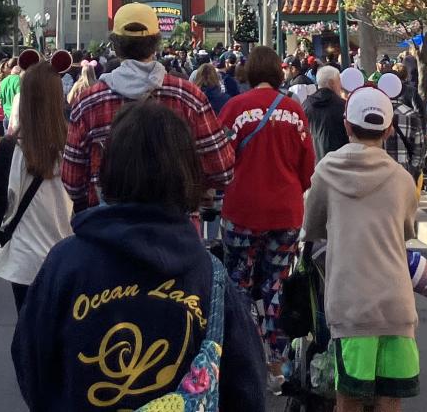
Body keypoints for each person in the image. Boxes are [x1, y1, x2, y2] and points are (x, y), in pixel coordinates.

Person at [17, 102, 265, 411]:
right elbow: (247, 386)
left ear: (110, 167)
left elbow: (31, 361)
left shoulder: (66, 264)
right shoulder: (210, 278)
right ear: (186, 172)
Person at [304, 77, 422, 410]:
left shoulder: (326, 171)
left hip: (350, 304)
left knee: (349, 399)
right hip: (396, 303)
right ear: (388, 130)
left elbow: (312, 226)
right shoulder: (401, 178)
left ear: (346, 125)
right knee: (390, 399)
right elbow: (406, 230)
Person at [61, 4, 235, 212]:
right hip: (174, 229)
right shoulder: (188, 97)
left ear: (115, 45)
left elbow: (71, 183)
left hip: (108, 230)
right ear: (155, 43)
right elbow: (223, 170)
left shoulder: (87, 103)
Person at [215, 45, 314, 371]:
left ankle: (242, 357)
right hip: (285, 212)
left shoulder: (234, 108)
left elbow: (220, 160)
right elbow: (307, 169)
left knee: (239, 281)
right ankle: (278, 360)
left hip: (242, 210)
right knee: (277, 283)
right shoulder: (294, 111)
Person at [0, 61, 72, 307]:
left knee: (27, 330)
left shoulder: (10, 148)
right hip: (67, 257)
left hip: (24, 257)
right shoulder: (72, 147)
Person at [304, 66, 349, 160]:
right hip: (338, 162)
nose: (341, 85)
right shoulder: (343, 106)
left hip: (314, 162)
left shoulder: (306, 105)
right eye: (339, 81)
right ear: (332, 83)